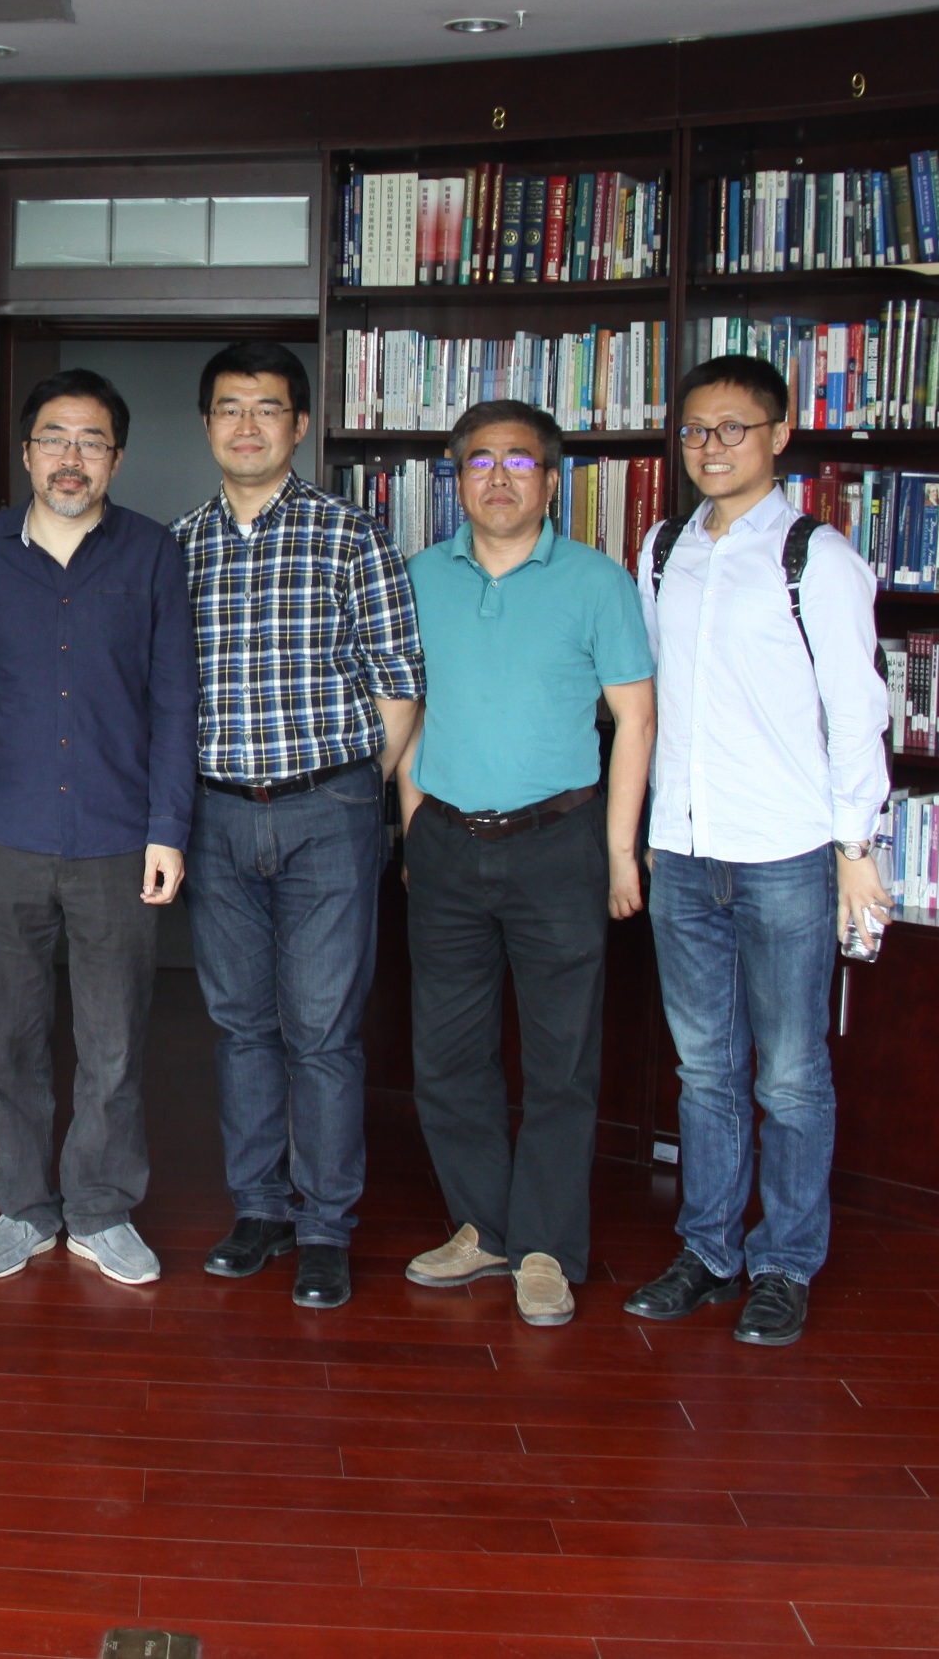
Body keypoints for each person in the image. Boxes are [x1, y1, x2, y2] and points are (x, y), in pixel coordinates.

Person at [626, 356, 892, 1349]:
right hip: (683, 851)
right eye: (694, 429)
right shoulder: (659, 550)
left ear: (779, 435)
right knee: (705, 1074)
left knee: (787, 1075)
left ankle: (784, 1261)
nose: (710, 447)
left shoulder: (814, 556)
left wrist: (854, 843)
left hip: (784, 852)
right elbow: (645, 702)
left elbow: (856, 707)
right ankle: (707, 1249)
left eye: (732, 428)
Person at [394, 398, 654, 1328]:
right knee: (448, 1055)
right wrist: (414, 823)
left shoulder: (596, 580)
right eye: (476, 462)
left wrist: (620, 852)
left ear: (550, 480)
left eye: (517, 461)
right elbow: (408, 712)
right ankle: (484, 1224)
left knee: (560, 1057)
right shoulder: (419, 576)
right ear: (454, 479)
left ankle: (544, 1245)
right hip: (449, 842)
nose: (496, 477)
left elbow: (634, 719)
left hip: (560, 844)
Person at [175, 341, 422, 1311]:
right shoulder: (177, 543)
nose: (246, 424)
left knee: (321, 1030)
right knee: (240, 1025)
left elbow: (399, 681)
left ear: (299, 424)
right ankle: (259, 1209)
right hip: (215, 811)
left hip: (329, 809)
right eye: (228, 406)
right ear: (207, 425)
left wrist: (355, 787)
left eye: (266, 407)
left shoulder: (349, 534)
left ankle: (325, 1224)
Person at [0, 368, 197, 1288]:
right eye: (55, 437)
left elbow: (175, 701)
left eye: (91, 441)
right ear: (25, 451)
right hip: (1, 831)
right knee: (6, 1037)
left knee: (115, 1036)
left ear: (116, 458)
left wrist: (167, 828)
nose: (71, 457)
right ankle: (22, 1204)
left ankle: (99, 1207)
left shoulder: (152, 555)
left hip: (118, 833)